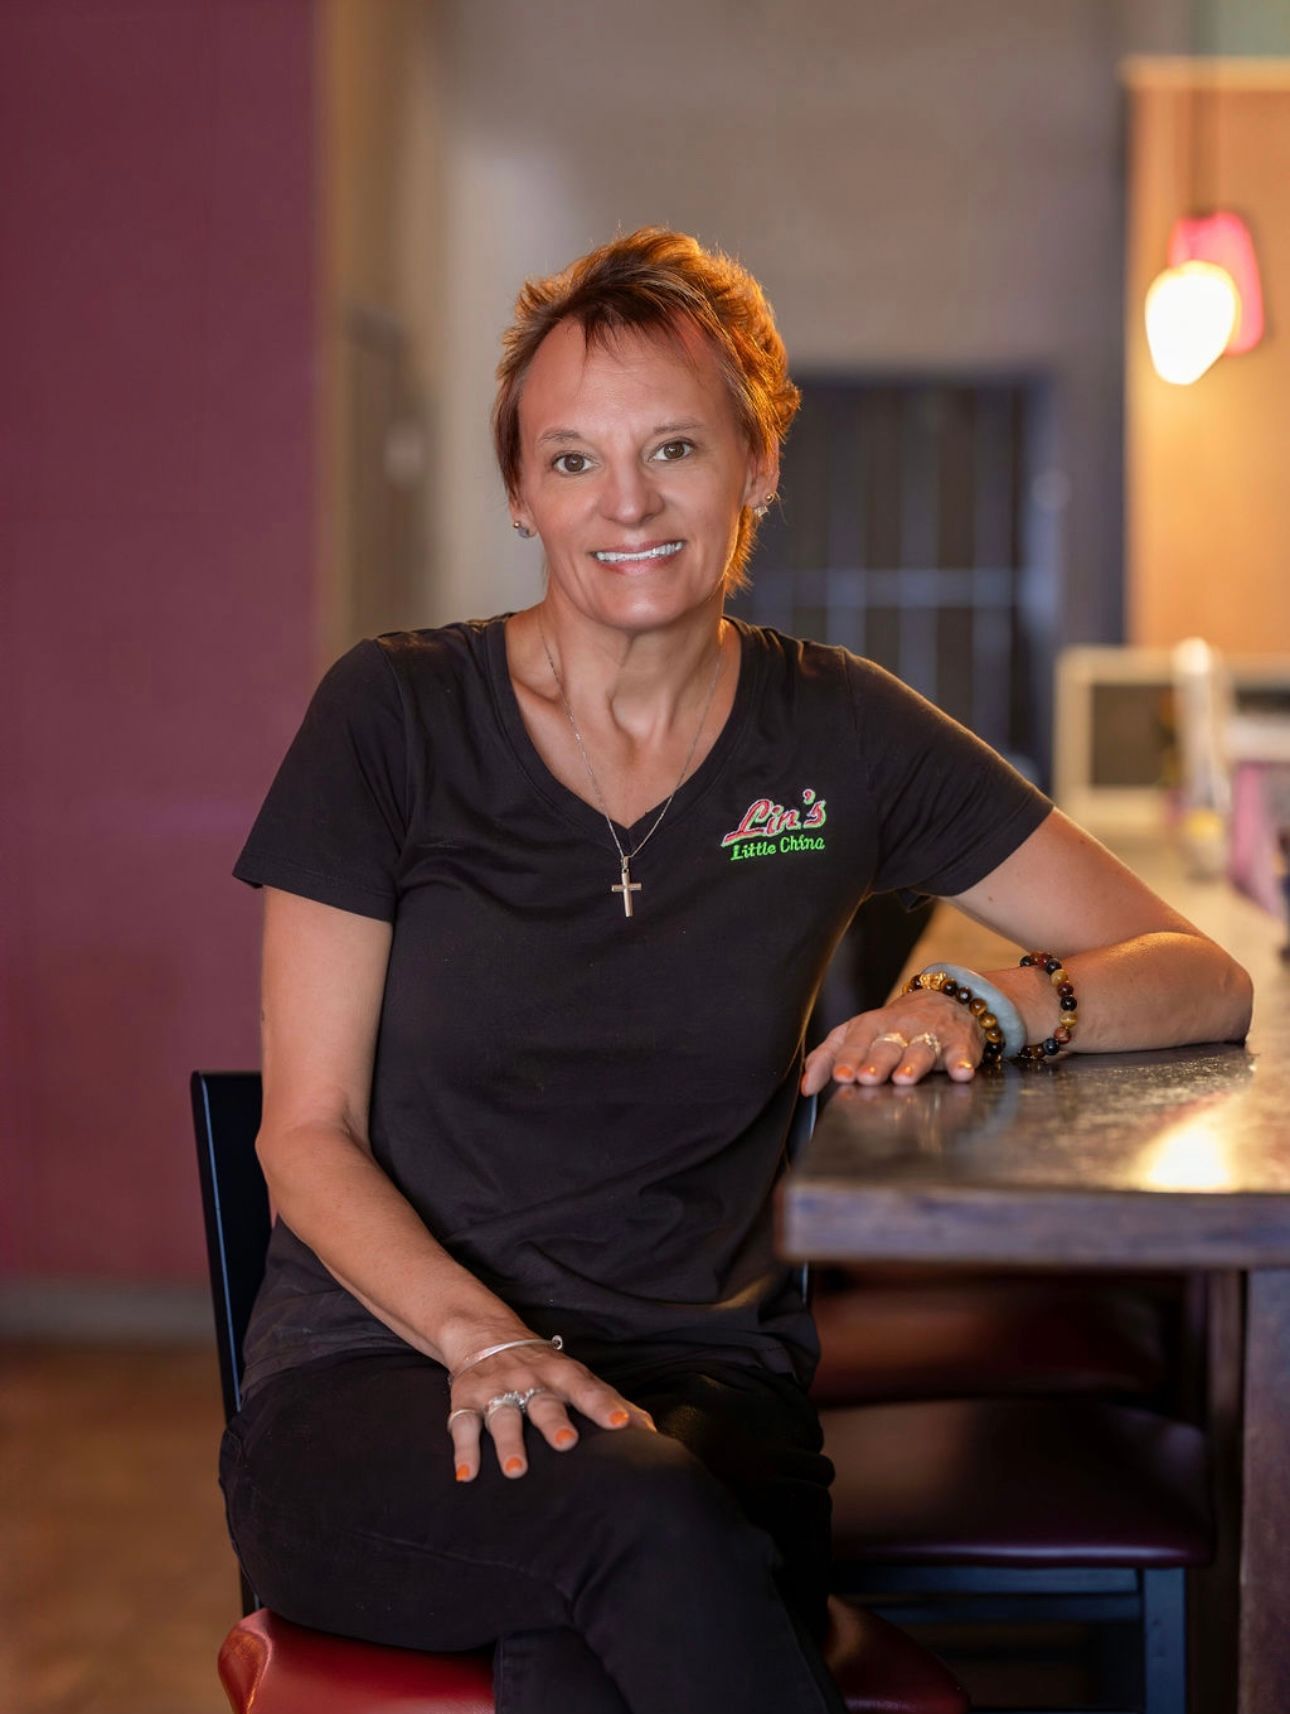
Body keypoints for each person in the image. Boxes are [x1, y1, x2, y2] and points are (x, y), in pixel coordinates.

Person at [218, 227, 1253, 1714]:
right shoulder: (390, 718)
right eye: (570, 460)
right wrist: (488, 1341)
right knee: (630, 1531)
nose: (623, 503)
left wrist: (986, 1000)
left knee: (604, 1590)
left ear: (757, 466)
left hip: (701, 1384)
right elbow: (301, 1133)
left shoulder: (837, 735)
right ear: (520, 493)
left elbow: (1197, 972)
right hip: (383, 1377)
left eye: (674, 450)